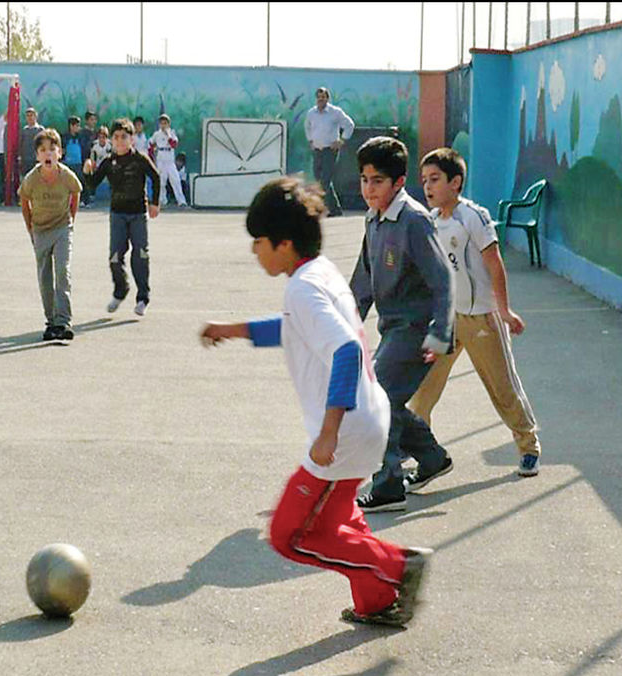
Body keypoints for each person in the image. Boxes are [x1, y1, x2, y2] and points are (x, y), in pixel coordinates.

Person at [199, 177, 432, 627]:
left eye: (259, 242)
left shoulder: (303, 288)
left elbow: (344, 349)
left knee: (290, 535)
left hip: (344, 431)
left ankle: (397, 566)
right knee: (336, 523)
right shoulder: (318, 273)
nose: (254, 252)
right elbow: (293, 330)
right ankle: (377, 600)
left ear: (284, 243)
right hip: (367, 419)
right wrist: (233, 329)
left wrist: (328, 432)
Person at [410, 148, 542, 479]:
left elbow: (494, 264)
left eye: (435, 179)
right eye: (424, 180)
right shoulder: (430, 222)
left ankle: (528, 447)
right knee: (423, 389)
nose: (428, 187)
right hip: (447, 321)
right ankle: (418, 451)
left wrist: (504, 310)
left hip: (482, 319)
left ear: (455, 182)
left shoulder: (474, 217)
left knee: (503, 389)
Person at [350, 136, 455, 512]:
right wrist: (346, 324)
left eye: (377, 180)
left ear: (398, 182)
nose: (368, 188)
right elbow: (363, 279)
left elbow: (443, 280)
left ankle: (389, 485)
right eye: (364, 179)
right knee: (386, 399)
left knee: (377, 401)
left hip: (419, 330)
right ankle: (431, 459)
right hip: (393, 328)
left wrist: (440, 331)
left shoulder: (413, 220)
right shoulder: (373, 218)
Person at [82, 118, 160, 316]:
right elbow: (92, 184)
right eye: (115, 138)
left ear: (131, 139)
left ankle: (143, 297)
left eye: (124, 137)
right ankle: (120, 290)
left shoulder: (140, 159)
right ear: (111, 140)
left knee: (140, 254)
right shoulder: (108, 162)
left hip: (138, 215)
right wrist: (87, 172)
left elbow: (156, 177)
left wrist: (154, 203)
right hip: (117, 214)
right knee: (115, 257)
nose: (119, 141)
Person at [19, 128, 82, 343]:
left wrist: (71, 219)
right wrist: (30, 228)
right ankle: (51, 321)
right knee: (45, 277)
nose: (48, 154)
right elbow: (24, 201)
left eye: (52, 150)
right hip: (40, 230)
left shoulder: (66, 176)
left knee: (62, 271)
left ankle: (63, 321)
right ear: (37, 155)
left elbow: (76, 192)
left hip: (62, 228)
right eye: (43, 150)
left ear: (60, 153)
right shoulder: (32, 179)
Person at [304, 87, 355, 216]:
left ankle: (329, 210)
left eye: (323, 97)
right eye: (319, 97)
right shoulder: (311, 113)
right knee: (318, 179)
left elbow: (349, 125)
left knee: (325, 180)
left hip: (330, 151)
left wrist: (341, 141)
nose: (321, 99)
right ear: (316, 99)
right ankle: (333, 209)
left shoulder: (335, 112)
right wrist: (310, 140)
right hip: (317, 150)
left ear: (327, 98)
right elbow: (307, 126)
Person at [150, 113, 188, 208]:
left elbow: (174, 144)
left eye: (165, 123)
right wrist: (152, 156)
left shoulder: (172, 133)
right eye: (161, 123)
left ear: (168, 124)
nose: (163, 125)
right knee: (161, 181)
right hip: (161, 158)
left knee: (175, 180)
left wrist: (168, 135)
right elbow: (151, 144)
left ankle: (181, 201)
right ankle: (162, 200)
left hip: (170, 160)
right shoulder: (157, 134)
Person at [63, 115, 85, 188]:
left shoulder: (81, 136)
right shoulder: (65, 137)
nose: (79, 128)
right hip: (68, 165)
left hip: (78, 164)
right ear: (71, 126)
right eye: (77, 125)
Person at [19, 107, 42, 178]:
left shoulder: (40, 129)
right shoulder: (24, 130)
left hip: (36, 160)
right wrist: (20, 157)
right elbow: (20, 145)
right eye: (28, 116)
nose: (30, 118)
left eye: (31, 115)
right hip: (25, 161)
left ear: (35, 116)